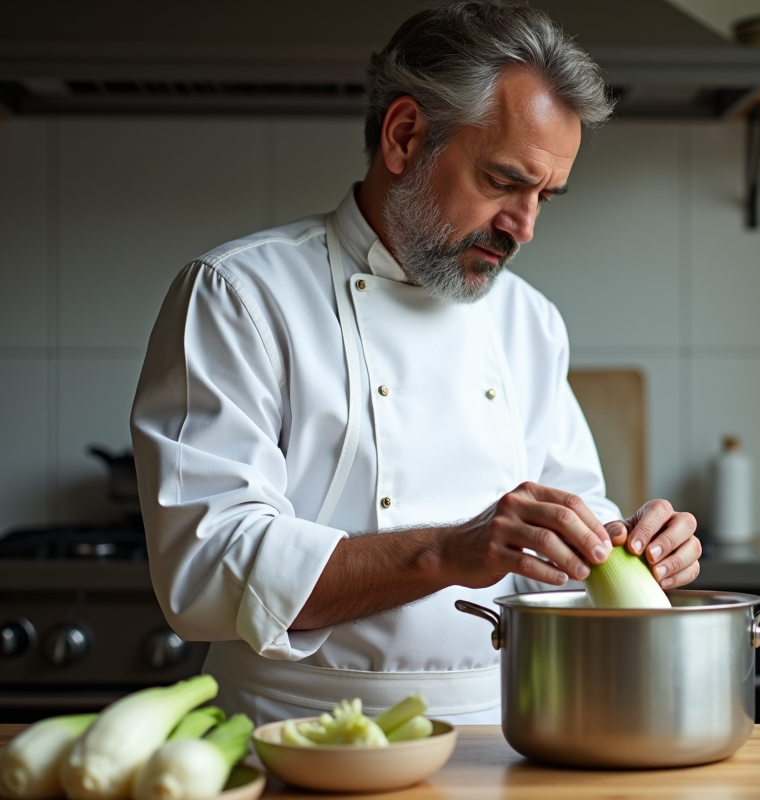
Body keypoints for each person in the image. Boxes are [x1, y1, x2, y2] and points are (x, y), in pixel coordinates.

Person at [130, 0, 701, 725]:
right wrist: (448, 553)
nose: (523, 228)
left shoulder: (528, 321)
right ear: (404, 136)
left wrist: (629, 550)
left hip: (507, 729)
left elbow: (566, 544)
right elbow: (205, 572)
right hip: (293, 737)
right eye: (502, 181)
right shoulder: (241, 296)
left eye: (544, 197)